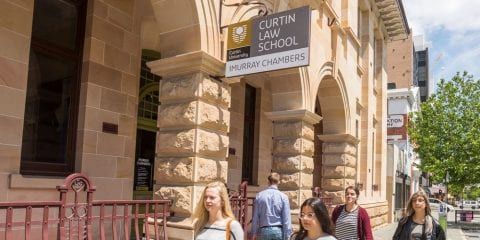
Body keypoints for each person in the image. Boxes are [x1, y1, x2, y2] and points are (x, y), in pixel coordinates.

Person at [251, 172, 292, 240]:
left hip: (263, 231)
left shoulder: (259, 195)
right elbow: (286, 218)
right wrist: (288, 235)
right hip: (278, 230)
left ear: (268, 182)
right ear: (279, 182)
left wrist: (254, 233)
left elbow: (255, 217)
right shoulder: (283, 197)